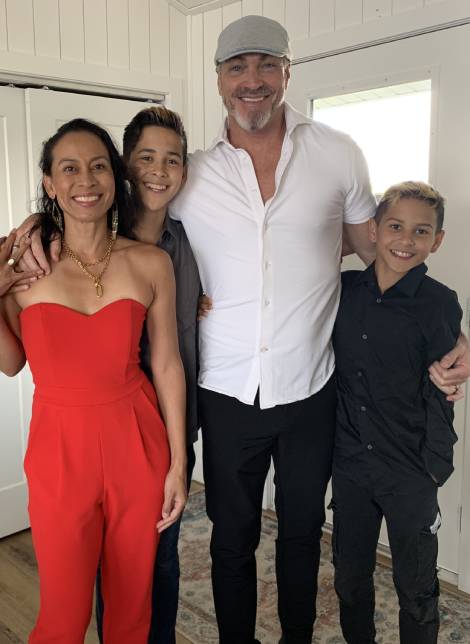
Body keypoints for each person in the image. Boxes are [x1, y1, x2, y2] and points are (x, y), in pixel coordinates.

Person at [11, 15, 470, 644]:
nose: (252, 80)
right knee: (231, 538)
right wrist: (38, 227)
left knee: (302, 536)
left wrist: (449, 333)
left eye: (266, 65)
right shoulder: (193, 173)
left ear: (287, 72)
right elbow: (121, 223)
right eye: (237, 67)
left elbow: (382, 259)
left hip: (311, 391)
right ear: (219, 79)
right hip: (225, 392)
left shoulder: (338, 153)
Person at [0, 118, 187, 641]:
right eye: (69, 168)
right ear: (49, 182)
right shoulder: (24, 268)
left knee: (131, 608)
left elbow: (167, 364)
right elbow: (11, 363)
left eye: (98, 166)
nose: (86, 180)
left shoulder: (150, 262)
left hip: (137, 445)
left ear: (115, 176)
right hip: (59, 454)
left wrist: (178, 464)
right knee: (62, 616)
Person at [331, 181, 462, 643]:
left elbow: (447, 382)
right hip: (351, 465)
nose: (406, 240)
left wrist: (433, 466)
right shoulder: (343, 289)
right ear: (373, 229)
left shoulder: (439, 303)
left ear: (436, 241)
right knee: (349, 577)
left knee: (417, 587)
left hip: (410, 470)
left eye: (421, 231)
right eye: (395, 227)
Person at [95, 106, 201, 644]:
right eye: (146, 157)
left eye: (172, 159)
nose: (160, 171)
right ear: (125, 164)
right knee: (115, 561)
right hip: (113, 431)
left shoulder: (189, 241)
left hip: (174, 425)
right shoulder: (95, 240)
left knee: (162, 556)